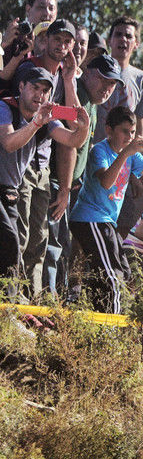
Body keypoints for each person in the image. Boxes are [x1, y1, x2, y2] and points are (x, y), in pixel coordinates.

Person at [68, 106, 143, 313]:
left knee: (123, 270)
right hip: (89, 218)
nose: (129, 137)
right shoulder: (99, 150)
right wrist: (126, 153)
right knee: (113, 274)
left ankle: (94, 315)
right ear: (109, 130)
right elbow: (106, 182)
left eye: (132, 132)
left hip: (106, 221)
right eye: (124, 131)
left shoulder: (132, 155)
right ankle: (111, 324)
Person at [44, 54, 123, 295]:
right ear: (86, 71)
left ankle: (58, 299)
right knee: (52, 245)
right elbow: (67, 142)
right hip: (56, 183)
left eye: (112, 83)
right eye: (103, 79)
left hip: (70, 185)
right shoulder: (76, 92)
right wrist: (64, 188)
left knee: (63, 246)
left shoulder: (91, 101)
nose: (107, 88)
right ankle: (47, 301)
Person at [0, 67, 89, 280]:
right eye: (35, 88)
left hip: (10, 190)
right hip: (3, 188)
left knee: (15, 246)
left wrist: (84, 128)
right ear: (21, 87)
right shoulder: (4, 107)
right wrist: (36, 123)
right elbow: (9, 143)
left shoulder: (44, 115)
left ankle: (12, 298)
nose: (39, 95)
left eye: (45, 91)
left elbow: (72, 141)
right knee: (12, 243)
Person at [12, 19, 81, 296]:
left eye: (67, 42)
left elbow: (75, 126)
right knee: (19, 235)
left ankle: (34, 300)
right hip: (20, 162)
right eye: (57, 39)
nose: (61, 46)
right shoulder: (28, 68)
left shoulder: (65, 76)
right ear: (45, 39)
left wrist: (69, 79)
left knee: (40, 238)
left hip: (44, 166)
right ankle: (12, 298)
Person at [96, 16, 143, 237]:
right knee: (85, 223)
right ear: (110, 39)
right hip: (96, 160)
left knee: (122, 226)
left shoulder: (140, 79)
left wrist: (136, 172)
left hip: (124, 167)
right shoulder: (96, 70)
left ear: (136, 43)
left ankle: (113, 261)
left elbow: (140, 129)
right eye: (118, 34)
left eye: (129, 36)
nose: (123, 39)